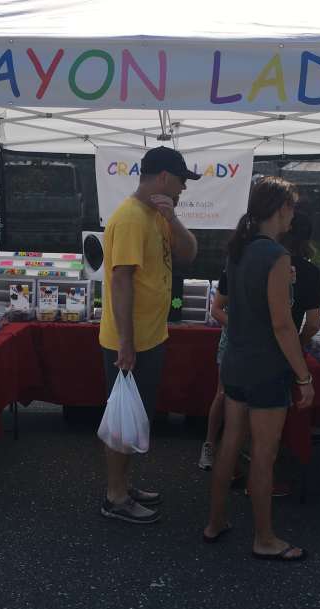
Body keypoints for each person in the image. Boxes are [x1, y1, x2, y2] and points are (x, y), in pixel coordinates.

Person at [203, 177, 314, 562]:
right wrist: (304, 376)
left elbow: (243, 304)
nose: (293, 214)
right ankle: (264, 538)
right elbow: (283, 325)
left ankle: (215, 522)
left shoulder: (240, 249)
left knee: (230, 444)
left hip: (235, 362)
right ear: (280, 207)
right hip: (266, 369)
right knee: (263, 456)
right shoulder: (276, 256)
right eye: (292, 206)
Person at [99, 146, 199, 524]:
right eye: (181, 181)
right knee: (122, 420)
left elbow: (189, 252)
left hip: (149, 337)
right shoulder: (130, 219)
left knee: (134, 416)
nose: (183, 189)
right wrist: (126, 343)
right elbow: (121, 281)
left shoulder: (157, 215)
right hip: (131, 341)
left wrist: (173, 219)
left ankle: (123, 485)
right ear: (162, 177)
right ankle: (115, 496)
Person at [198, 269, 228, 471]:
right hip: (233, 343)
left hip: (260, 347)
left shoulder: (273, 266)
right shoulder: (233, 269)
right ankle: (209, 445)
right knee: (223, 394)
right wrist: (243, 328)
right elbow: (216, 309)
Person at [281, 212, 320, 347]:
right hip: (286, 350)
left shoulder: (264, 261)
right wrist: (299, 344)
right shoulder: (311, 272)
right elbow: (313, 324)